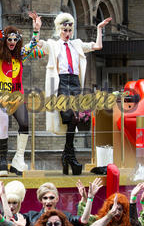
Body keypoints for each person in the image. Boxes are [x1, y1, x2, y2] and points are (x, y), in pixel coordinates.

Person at [35, 12, 111, 175]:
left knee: (75, 118)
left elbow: (97, 46)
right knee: (70, 116)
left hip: (75, 82)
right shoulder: (53, 44)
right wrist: (36, 30)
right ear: (59, 29)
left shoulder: (77, 44)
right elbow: (37, 44)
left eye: (69, 30)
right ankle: (69, 154)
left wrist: (99, 29)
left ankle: (67, 154)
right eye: (64, 30)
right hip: (61, 82)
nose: (67, 33)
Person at [0, 12, 43, 176]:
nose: (12, 42)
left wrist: (36, 30)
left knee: (25, 124)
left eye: (15, 39)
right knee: (4, 124)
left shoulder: (20, 56)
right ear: (4, 41)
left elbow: (33, 44)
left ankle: (18, 159)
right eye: (9, 39)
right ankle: (3, 161)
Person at [76, 180, 144, 226]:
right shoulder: (101, 223)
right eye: (113, 208)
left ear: (124, 211)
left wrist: (143, 203)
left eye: (120, 209)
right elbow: (84, 218)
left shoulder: (129, 225)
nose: (117, 212)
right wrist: (86, 198)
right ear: (108, 210)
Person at [0, 180, 97, 226]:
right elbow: (9, 221)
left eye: (51, 198)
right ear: (41, 200)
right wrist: (3, 195)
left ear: (57, 199)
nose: (48, 201)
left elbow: (83, 220)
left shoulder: (65, 217)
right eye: (45, 198)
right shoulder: (31, 216)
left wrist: (90, 198)